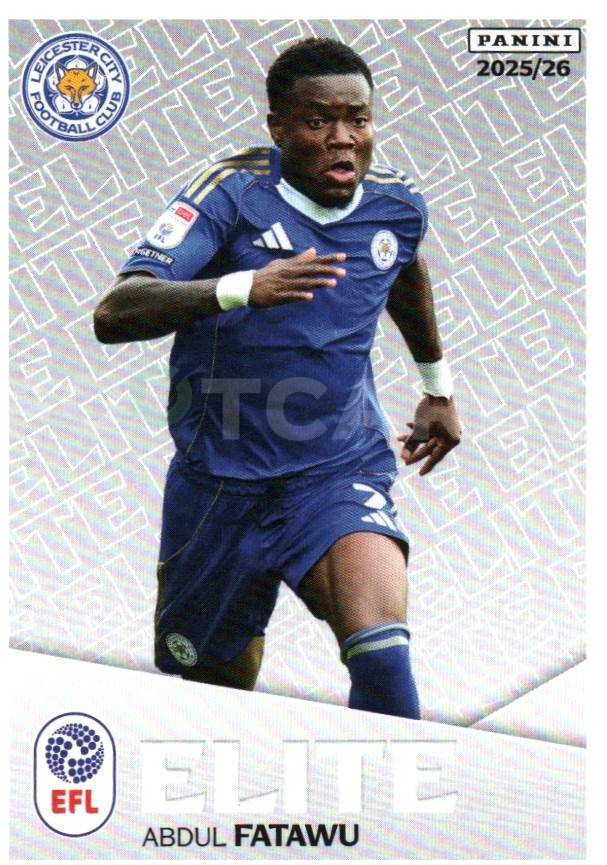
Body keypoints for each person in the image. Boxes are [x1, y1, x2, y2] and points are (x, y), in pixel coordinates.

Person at [93, 38, 461, 719]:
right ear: (278, 128)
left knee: (381, 650)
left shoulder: (395, 204)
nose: (343, 139)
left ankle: (398, 785)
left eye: (358, 120)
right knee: (214, 692)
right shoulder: (229, 196)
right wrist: (241, 288)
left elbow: (402, 267)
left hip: (333, 471)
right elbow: (116, 312)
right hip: (218, 483)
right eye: (318, 122)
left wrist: (436, 387)